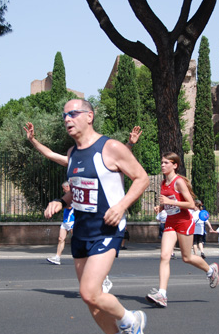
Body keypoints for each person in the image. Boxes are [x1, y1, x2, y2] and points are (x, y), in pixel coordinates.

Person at [42, 99, 149, 334]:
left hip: (108, 229)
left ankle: (131, 319)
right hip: (81, 231)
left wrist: (122, 205)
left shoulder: (110, 147)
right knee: (91, 297)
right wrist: (61, 201)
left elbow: (142, 178)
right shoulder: (72, 153)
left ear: (89, 116)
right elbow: (77, 190)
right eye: (64, 114)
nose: (67, 119)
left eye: (73, 113)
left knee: (89, 291)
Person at [25, 122, 141, 294]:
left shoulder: (107, 155)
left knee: (90, 289)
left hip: (106, 220)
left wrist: (130, 144)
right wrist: (33, 141)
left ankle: (109, 290)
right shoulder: (73, 159)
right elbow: (50, 154)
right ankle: (102, 285)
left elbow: (117, 160)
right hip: (83, 222)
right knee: (87, 287)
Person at [145, 152, 219, 308]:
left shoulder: (179, 182)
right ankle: (162, 294)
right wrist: (162, 207)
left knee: (187, 257)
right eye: (162, 162)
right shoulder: (163, 183)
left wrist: (168, 202)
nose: (162, 165)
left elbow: (191, 204)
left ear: (174, 165)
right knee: (164, 255)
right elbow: (169, 201)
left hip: (184, 222)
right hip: (171, 222)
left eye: (166, 162)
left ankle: (210, 270)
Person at [46, 182, 75, 266]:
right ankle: (57, 258)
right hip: (65, 221)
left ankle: (84, 257)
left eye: (64, 188)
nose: (63, 190)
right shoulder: (65, 198)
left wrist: (60, 204)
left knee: (76, 240)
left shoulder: (72, 196)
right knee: (60, 239)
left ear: (67, 187)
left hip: (73, 221)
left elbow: (69, 206)